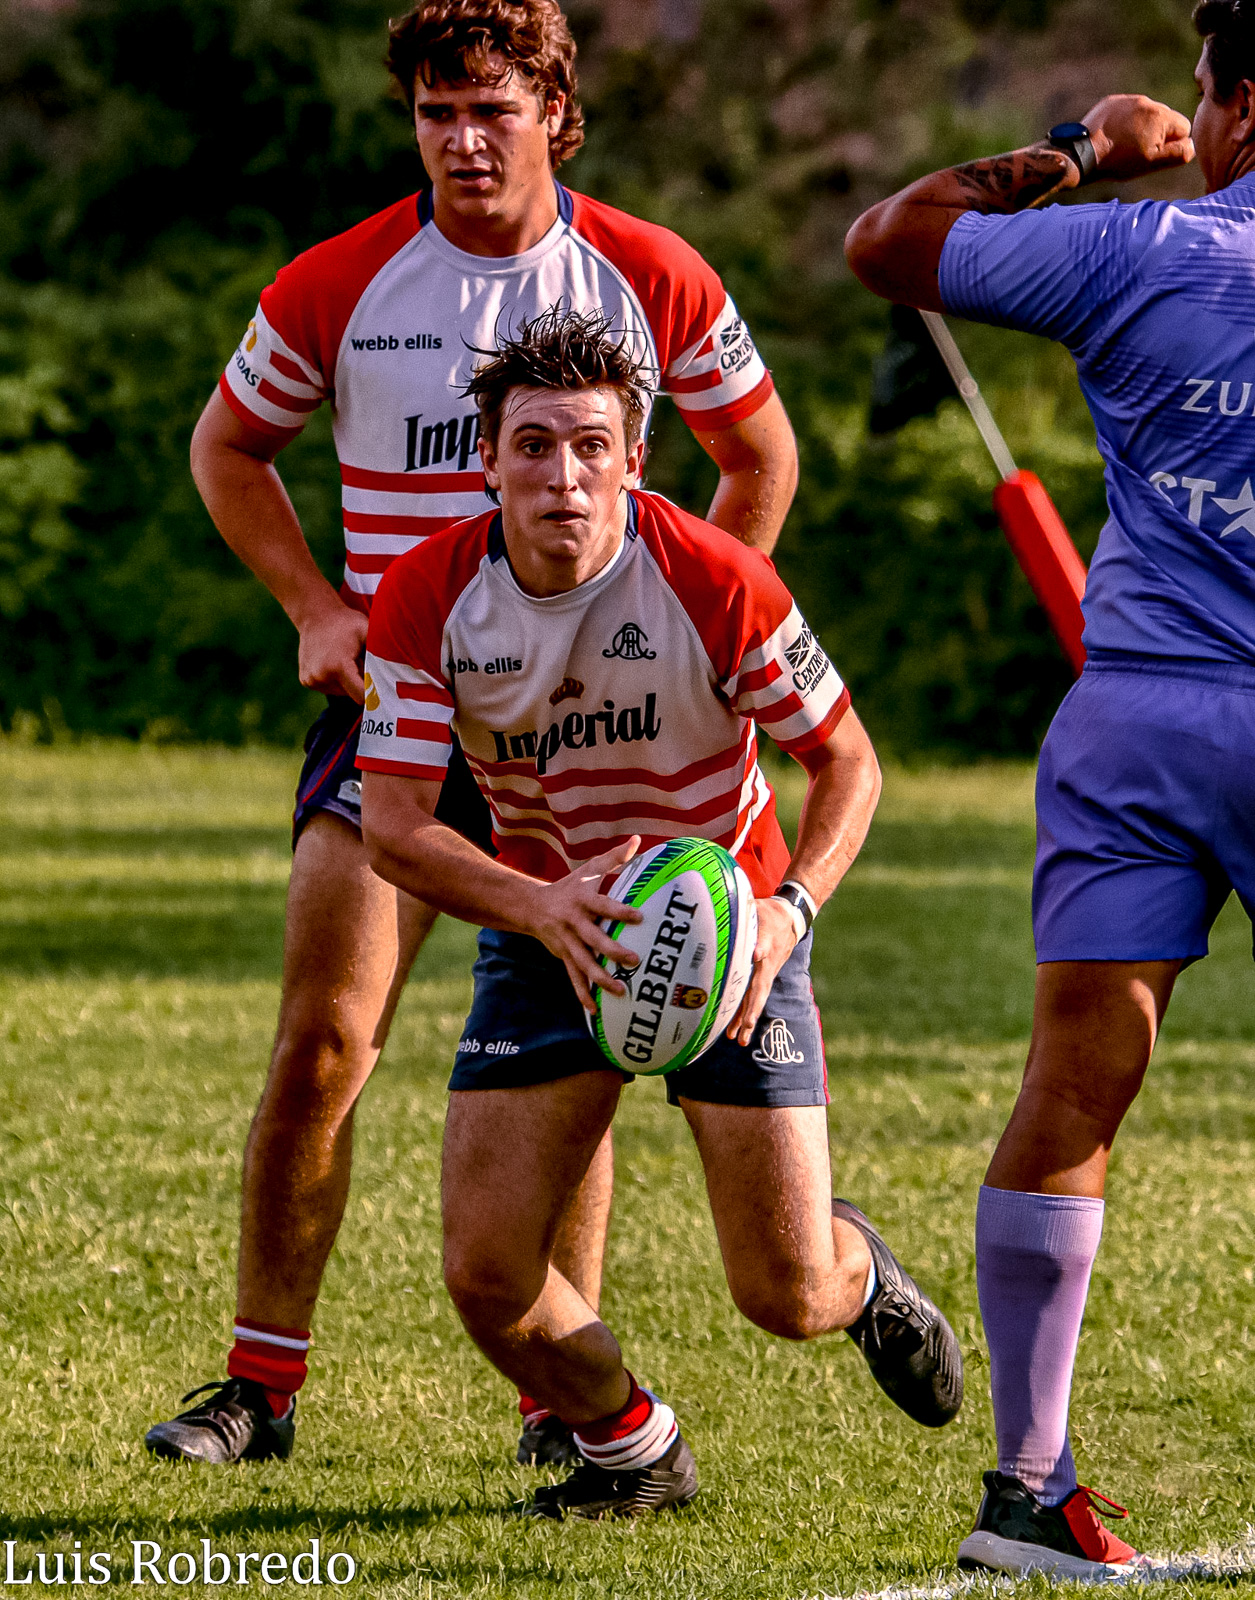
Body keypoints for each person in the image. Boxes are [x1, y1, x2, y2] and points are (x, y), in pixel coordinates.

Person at [144, 0, 802, 1469]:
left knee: (575, 1039)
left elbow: (757, 455)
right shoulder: (341, 279)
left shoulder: (646, 272)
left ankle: (557, 1408)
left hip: (595, 734)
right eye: (434, 112)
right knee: (324, 1039)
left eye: (488, 110)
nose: (458, 140)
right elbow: (225, 447)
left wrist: (688, 630)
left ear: (553, 114)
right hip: (408, 712)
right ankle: (257, 1387)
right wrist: (317, 607)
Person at [355, 306, 963, 1520]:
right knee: (486, 1272)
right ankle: (630, 1444)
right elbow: (395, 826)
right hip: (548, 923)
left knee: (784, 1294)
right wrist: (541, 910)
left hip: (730, 924)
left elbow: (847, 762)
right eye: (532, 446)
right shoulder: (427, 596)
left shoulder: (714, 578)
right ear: (487, 461)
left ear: (636, 460)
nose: (562, 476)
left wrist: (787, 912)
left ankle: (866, 1276)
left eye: (590, 447)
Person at [844, 0, 1255, 1579]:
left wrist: (1081, 145)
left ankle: (1026, 1488)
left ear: (1228, 109)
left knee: (1069, 1092)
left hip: (1133, 717)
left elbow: (890, 243)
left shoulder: (1134, 248)